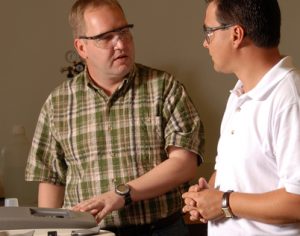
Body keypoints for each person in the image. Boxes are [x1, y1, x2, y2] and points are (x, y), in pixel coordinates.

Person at [25, 0, 205, 235]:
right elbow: (50, 179)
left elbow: (184, 164)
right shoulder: (57, 103)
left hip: (160, 229)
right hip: (89, 232)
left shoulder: (164, 88)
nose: (120, 44)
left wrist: (121, 194)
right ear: (81, 48)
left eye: (124, 32)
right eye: (105, 37)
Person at [182, 0, 300, 235]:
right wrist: (208, 195)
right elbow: (243, 171)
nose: (205, 43)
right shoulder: (239, 94)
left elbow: (297, 200)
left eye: (209, 32)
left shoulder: (290, 99)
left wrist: (224, 202)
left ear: (236, 34)